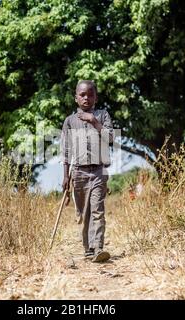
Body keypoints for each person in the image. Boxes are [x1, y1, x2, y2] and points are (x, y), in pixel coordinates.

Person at [61, 80, 114, 263]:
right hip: (78, 172)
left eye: (90, 94)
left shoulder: (102, 115)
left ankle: (98, 247)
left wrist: (94, 122)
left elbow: (111, 138)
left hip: (99, 171)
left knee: (98, 211)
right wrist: (65, 176)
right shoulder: (70, 121)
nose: (86, 98)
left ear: (95, 98)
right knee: (84, 213)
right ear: (76, 98)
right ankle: (88, 248)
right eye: (82, 95)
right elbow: (66, 150)